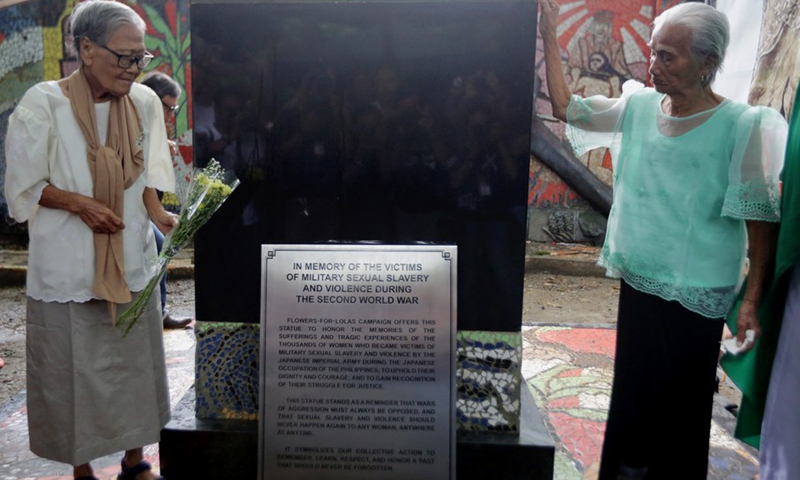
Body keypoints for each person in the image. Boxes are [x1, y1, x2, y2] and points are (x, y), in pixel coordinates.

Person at [539, 2, 788, 479]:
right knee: (632, 393)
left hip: (697, 292)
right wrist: (550, 31)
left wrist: (752, 298)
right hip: (640, 277)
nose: (654, 65)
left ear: (707, 63)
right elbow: (567, 109)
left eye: (668, 57)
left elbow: (760, 220)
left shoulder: (741, 126)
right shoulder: (637, 106)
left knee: (681, 407)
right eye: (654, 52)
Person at [3, 1, 176, 479]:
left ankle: (135, 460)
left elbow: (146, 171)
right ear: (86, 49)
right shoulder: (43, 104)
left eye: (140, 57)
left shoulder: (143, 102)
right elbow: (25, 186)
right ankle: (81, 469)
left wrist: (157, 213)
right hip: (68, 266)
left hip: (131, 258)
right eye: (124, 57)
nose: (134, 67)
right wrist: (81, 204)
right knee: (72, 371)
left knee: (134, 367)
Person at [139, 71, 193, 330]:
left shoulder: (155, 132)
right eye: (168, 108)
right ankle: (156, 312)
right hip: (120, 207)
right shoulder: (133, 126)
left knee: (160, 243)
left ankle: (158, 311)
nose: (171, 116)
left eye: (174, 109)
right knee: (159, 243)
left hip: (143, 208)